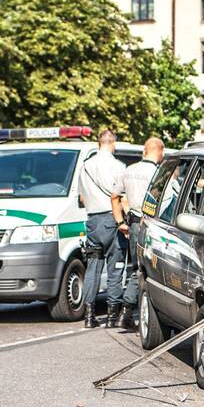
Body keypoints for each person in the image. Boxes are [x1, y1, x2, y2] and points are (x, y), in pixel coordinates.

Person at [111, 136, 165, 330]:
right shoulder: (159, 173)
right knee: (146, 271)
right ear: (161, 152)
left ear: (144, 151)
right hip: (150, 225)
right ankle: (126, 311)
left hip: (133, 224)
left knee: (136, 267)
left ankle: (125, 312)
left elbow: (115, 197)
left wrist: (119, 222)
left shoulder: (129, 170)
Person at [78, 129, 126, 328]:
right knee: (115, 267)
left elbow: (81, 198)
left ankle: (89, 316)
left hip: (92, 222)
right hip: (111, 219)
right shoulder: (118, 166)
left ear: (99, 143)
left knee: (93, 268)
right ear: (112, 143)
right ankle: (112, 316)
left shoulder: (85, 167)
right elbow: (120, 196)